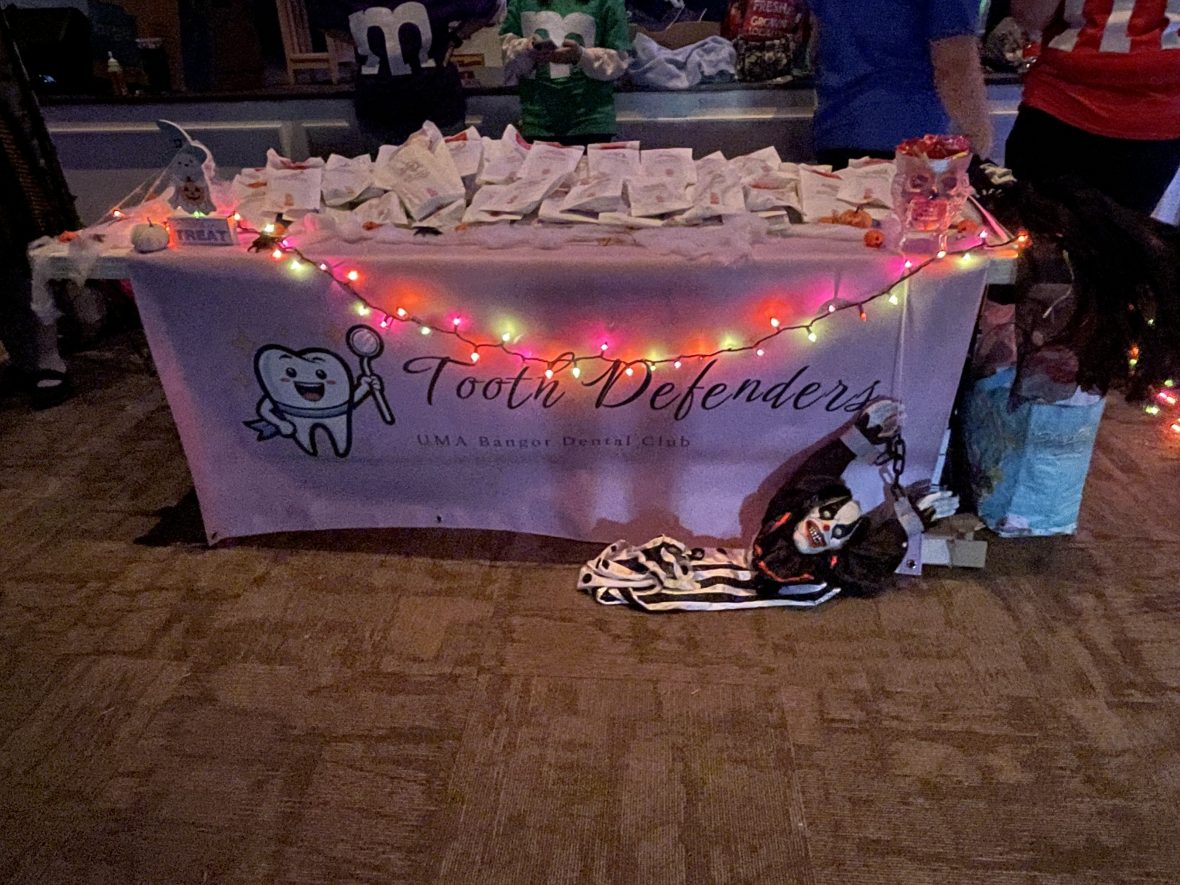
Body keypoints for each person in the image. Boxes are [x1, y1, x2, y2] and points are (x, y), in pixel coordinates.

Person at [1005, 0, 1180, 215]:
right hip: (1058, 106)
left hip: (1155, 125)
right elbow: (1029, 18)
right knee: (1020, 234)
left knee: (1110, 242)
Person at [806, 0, 994, 168]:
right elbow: (954, 64)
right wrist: (980, 143)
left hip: (835, 133)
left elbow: (817, 39)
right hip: (911, 143)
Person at [310, 1, 505, 151]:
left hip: (436, 103)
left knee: (448, 182)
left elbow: (488, 8)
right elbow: (322, 19)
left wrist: (454, 39)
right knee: (387, 190)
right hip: (380, 108)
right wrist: (364, 40)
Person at [500, 0, 631, 146]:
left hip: (592, 121)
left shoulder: (609, 2)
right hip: (536, 121)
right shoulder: (520, 2)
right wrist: (527, 48)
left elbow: (619, 61)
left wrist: (580, 56)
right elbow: (507, 58)